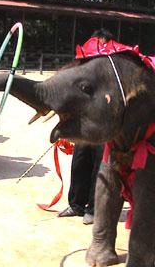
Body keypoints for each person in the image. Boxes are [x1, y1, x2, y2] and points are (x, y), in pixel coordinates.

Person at [58, 28, 112, 225]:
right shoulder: (84, 63)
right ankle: (76, 204)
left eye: (101, 42)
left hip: (105, 125)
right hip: (85, 122)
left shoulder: (112, 65)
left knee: (100, 165)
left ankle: (94, 208)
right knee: (80, 161)